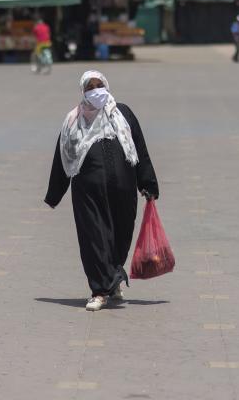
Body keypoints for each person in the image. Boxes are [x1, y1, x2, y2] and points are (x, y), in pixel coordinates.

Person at [46, 70, 159, 312]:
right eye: (90, 87)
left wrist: (147, 184)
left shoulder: (123, 114)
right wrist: (55, 193)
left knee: (120, 236)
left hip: (123, 189)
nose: (95, 90)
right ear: (83, 91)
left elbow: (139, 147)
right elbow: (63, 156)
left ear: (106, 85)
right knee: (94, 238)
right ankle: (99, 290)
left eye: (99, 85)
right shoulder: (73, 120)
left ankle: (114, 277)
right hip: (88, 192)